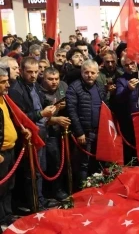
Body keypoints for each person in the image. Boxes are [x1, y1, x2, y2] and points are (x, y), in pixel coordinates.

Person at [9, 57, 58, 211]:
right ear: (21, 71)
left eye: (36, 72)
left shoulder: (35, 85)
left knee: (40, 169)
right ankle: (34, 203)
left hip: (41, 132)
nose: (33, 75)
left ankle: (40, 199)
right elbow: (20, 117)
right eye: (29, 72)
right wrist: (41, 113)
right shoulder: (16, 90)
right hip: (28, 136)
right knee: (32, 171)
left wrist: (50, 107)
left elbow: (41, 101)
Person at [66, 60, 106, 188]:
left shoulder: (100, 86)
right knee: (83, 163)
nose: (89, 75)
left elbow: (105, 107)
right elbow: (71, 111)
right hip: (84, 133)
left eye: (92, 73)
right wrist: (79, 132)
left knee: (98, 161)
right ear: (81, 73)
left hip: (99, 131)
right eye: (86, 72)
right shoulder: (74, 87)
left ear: (97, 73)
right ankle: (82, 189)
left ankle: (97, 188)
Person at [0, 68, 31, 231]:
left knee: (9, 186)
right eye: (3, 82)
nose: (7, 85)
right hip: (1, 154)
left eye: (7, 81)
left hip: (10, 151)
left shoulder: (4, 99)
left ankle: (7, 214)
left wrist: (21, 130)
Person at [40, 67, 70, 201]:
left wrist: (64, 107)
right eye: (50, 79)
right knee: (50, 164)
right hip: (45, 133)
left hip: (62, 132)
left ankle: (61, 188)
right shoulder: (39, 92)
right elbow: (37, 117)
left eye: (56, 79)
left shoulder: (64, 86)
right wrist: (55, 119)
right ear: (44, 79)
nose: (54, 82)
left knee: (61, 161)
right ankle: (53, 191)